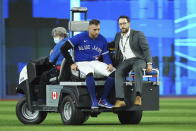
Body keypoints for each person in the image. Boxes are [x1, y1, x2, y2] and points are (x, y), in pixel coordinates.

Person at [61, 19, 115, 109]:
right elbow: (63, 48)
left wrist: (109, 63)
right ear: (89, 28)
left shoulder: (102, 39)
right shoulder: (80, 37)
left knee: (114, 72)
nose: (97, 32)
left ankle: (103, 99)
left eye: (98, 29)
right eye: (94, 29)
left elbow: (105, 55)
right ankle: (94, 101)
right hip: (81, 62)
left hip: (94, 62)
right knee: (89, 73)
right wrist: (71, 63)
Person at [109, 16, 152, 107]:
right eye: (120, 24)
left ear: (129, 23)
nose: (122, 26)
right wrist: (99, 43)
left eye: (124, 23)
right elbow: (112, 45)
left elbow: (146, 49)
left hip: (138, 59)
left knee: (137, 68)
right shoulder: (118, 35)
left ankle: (138, 96)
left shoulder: (138, 34)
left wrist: (149, 63)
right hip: (126, 61)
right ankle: (120, 100)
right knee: (118, 72)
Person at [38, 27, 68, 104]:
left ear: (62, 35)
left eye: (55, 36)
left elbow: (51, 59)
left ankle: (42, 101)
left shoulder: (60, 44)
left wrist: (51, 53)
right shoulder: (70, 42)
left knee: (43, 76)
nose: (54, 38)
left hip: (59, 71)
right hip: (68, 72)